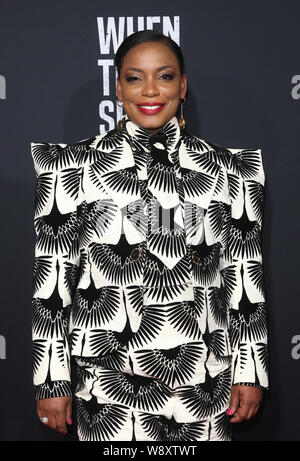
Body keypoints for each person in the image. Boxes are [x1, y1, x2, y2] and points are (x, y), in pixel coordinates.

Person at [30, 29, 269, 442]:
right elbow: (52, 283)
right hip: (105, 389)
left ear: (183, 85)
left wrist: (250, 370)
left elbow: (245, 278)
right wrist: (51, 381)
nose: (151, 90)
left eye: (165, 76)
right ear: (118, 89)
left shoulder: (232, 169)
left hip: (205, 386)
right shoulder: (67, 167)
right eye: (135, 78)